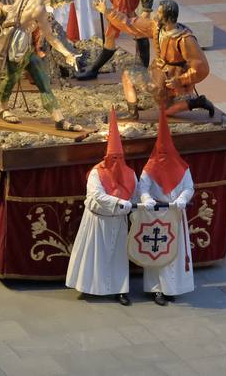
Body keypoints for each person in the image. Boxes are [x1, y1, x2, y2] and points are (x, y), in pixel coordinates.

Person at [0, 0, 85, 130]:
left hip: (22, 42)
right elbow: (51, 37)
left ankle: (59, 119)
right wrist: (67, 54)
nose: (61, 6)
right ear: (59, 0)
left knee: (41, 78)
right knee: (12, 76)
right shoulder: (40, 9)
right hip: (17, 44)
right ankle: (3, 108)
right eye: (64, 3)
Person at [65, 109, 136, 305]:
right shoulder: (96, 173)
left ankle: (121, 290)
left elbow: (135, 195)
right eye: (113, 159)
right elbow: (96, 195)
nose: (116, 163)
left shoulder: (130, 174)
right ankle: (89, 286)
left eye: (119, 159)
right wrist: (119, 202)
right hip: (97, 221)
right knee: (94, 256)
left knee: (118, 258)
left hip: (118, 222)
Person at [135, 107, 195, 305]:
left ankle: (173, 287)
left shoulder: (183, 168)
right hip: (157, 215)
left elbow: (189, 187)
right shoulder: (149, 168)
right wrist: (147, 199)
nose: (161, 156)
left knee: (175, 252)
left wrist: (182, 199)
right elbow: (142, 187)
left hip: (175, 213)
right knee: (157, 251)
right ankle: (157, 289)